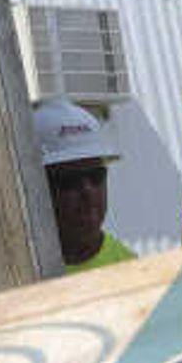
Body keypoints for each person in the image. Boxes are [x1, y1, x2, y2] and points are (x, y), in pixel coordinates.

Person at [32, 97, 139, 271]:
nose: (87, 192)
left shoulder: (129, 269)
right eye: (69, 181)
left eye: (96, 176)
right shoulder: (17, 270)